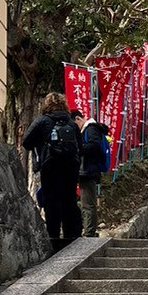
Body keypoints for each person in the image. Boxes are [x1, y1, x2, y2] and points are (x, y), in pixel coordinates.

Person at [23, 92, 83, 251]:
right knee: (69, 200)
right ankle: (73, 236)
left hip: (50, 165)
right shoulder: (71, 122)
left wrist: (42, 142)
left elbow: (26, 142)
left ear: (47, 105)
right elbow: (80, 145)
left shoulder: (43, 121)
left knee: (52, 201)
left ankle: (54, 237)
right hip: (70, 165)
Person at [77, 116, 111, 237]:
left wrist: (79, 148)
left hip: (88, 171)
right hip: (88, 170)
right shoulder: (91, 129)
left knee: (88, 203)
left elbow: (94, 146)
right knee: (87, 202)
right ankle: (89, 229)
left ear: (78, 119)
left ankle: (89, 231)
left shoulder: (90, 129)